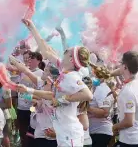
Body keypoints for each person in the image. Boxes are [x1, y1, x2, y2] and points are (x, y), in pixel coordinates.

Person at [19, 18, 93, 147]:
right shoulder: (63, 71)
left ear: (71, 59)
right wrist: (32, 28)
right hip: (63, 133)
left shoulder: (72, 77)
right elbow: (45, 51)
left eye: (66, 52)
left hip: (70, 134)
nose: (63, 53)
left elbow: (88, 95)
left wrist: (64, 99)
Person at [113, 51, 138, 147]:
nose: (119, 65)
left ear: (125, 67)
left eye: (120, 63)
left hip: (130, 141)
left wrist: (114, 127)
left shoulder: (129, 91)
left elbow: (129, 121)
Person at [87, 64, 115, 147]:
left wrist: (86, 108)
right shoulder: (99, 88)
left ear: (102, 77)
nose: (93, 78)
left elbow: (105, 112)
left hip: (100, 132)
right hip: (96, 131)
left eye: (95, 76)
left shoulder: (102, 89)